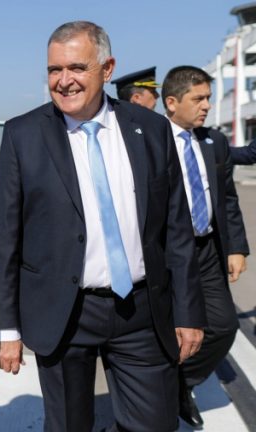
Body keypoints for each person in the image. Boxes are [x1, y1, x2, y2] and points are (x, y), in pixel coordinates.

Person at [0, 21, 205, 431]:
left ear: (107, 69)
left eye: (76, 68)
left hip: (142, 312)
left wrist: (189, 311)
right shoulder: (23, 135)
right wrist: (6, 327)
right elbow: (4, 239)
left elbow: (176, 229)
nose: (63, 80)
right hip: (63, 314)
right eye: (54, 70)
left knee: (156, 424)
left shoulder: (151, 129)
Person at [162, 65, 249, 428]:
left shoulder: (214, 142)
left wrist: (236, 247)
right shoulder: (151, 141)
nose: (207, 106)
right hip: (167, 254)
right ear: (172, 102)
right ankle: (159, 391)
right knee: (169, 329)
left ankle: (181, 382)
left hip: (208, 250)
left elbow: (227, 199)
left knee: (224, 326)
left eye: (209, 98)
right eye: (198, 98)